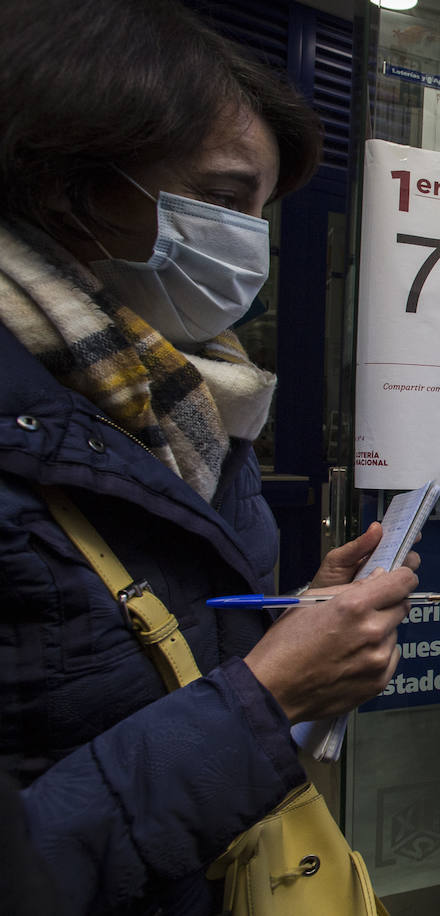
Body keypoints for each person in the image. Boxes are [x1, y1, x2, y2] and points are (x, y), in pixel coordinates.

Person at [0, 2, 417, 913]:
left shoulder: (190, 400)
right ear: (70, 180)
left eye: (260, 210)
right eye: (225, 198)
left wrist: (289, 636)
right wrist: (265, 698)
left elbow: (158, 673)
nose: (251, 242)